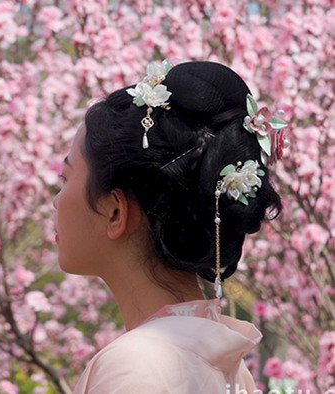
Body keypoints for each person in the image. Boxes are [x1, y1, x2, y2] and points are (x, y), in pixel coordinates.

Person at [53, 60, 288, 393]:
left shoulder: (133, 367)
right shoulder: (229, 367)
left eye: (64, 178)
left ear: (115, 211)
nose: (55, 201)